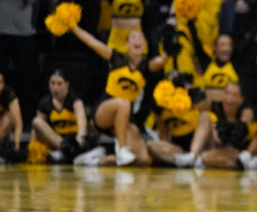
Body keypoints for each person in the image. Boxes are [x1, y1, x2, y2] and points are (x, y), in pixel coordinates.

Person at [69, 26, 168, 166]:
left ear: (145, 44)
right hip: (104, 111)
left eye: (140, 38)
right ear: (127, 44)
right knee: (123, 103)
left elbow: (160, 62)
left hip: (125, 119)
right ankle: (122, 149)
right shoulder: (116, 57)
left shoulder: (146, 66)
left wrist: (168, 52)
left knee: (142, 159)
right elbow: (92, 42)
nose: (137, 40)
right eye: (133, 37)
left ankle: (95, 160)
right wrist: (73, 27)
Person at [32, 70, 89, 164]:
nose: (55, 88)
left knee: (92, 122)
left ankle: (73, 152)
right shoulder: (45, 102)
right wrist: (32, 146)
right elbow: (36, 129)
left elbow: (81, 118)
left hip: (75, 141)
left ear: (67, 84)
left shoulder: (75, 99)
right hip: (57, 141)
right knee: (36, 121)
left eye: (59, 84)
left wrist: (80, 138)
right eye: (52, 83)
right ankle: (65, 151)